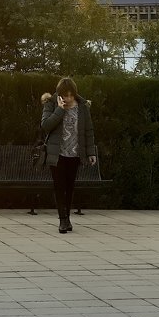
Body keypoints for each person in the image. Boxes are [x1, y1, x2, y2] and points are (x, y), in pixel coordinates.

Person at [40, 76, 97, 234]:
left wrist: (91, 152)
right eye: (66, 95)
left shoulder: (83, 106)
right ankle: (62, 220)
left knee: (70, 187)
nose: (69, 98)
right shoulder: (51, 103)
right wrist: (60, 109)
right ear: (60, 94)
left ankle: (68, 218)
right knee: (59, 187)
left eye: (72, 95)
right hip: (57, 154)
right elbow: (45, 125)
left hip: (75, 154)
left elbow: (88, 130)